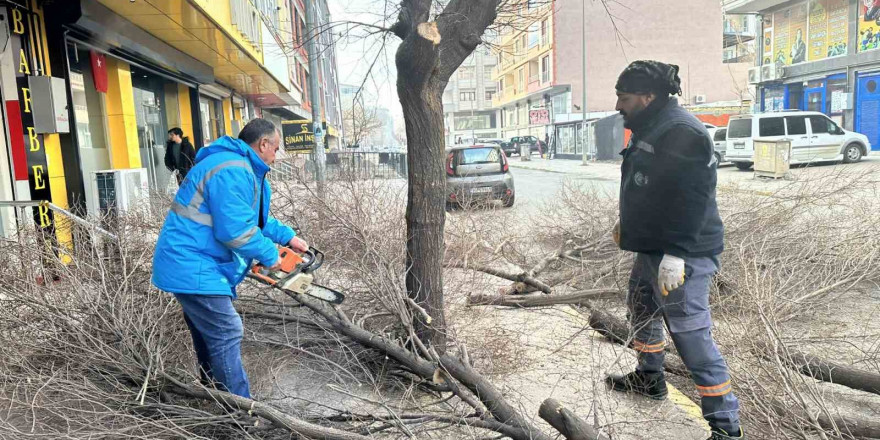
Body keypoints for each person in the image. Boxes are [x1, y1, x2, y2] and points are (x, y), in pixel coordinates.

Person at [606, 60, 742, 440]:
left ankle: (726, 427)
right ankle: (650, 379)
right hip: (653, 247)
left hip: (683, 253)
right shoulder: (652, 124)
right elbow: (649, 185)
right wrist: (628, 224)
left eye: (625, 97)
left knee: (690, 333)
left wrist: (677, 254)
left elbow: (692, 199)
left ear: (648, 97)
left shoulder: (682, 132)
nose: (619, 105)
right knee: (641, 307)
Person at [152, 118, 309, 398]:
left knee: (207, 330)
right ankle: (240, 412)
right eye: (276, 149)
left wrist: (287, 237)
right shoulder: (233, 170)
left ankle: (213, 392)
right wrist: (271, 255)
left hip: (196, 260)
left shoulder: (239, 166)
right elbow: (235, 230)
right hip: (192, 261)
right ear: (263, 144)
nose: (277, 155)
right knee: (227, 330)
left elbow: (252, 219)